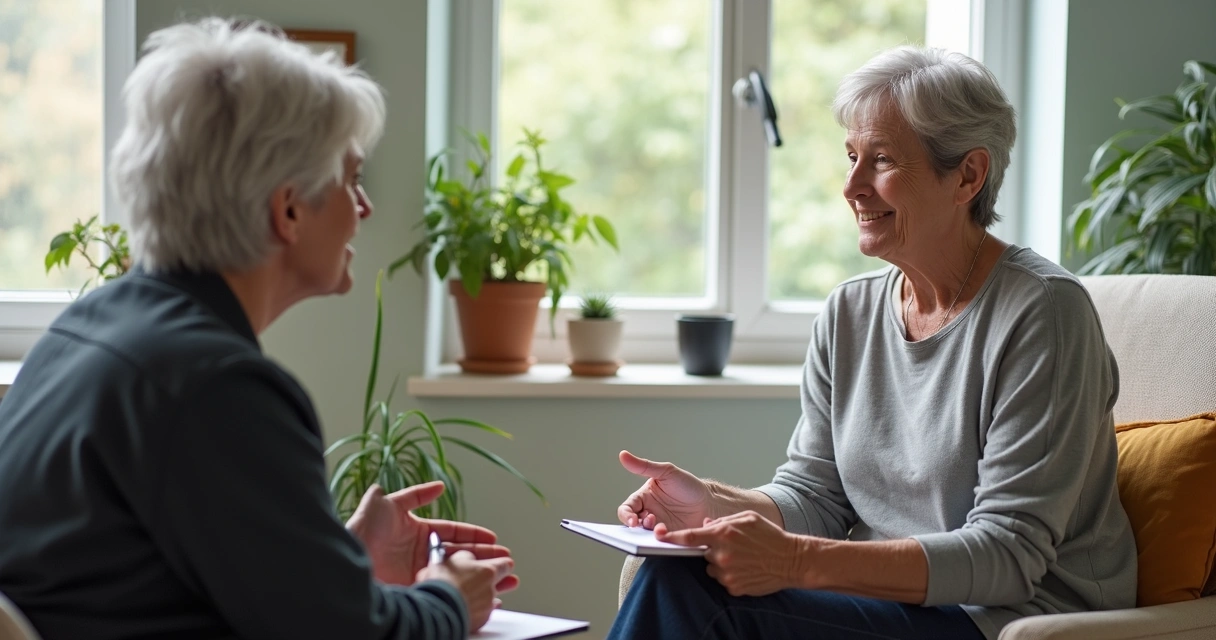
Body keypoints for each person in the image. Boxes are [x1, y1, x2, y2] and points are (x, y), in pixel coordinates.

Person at [0, 18, 516, 639]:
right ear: (289, 209)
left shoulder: (85, 330)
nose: (364, 207)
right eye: (352, 179)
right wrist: (448, 599)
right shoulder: (216, 387)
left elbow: (144, 579)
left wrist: (341, 555)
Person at [609, 46, 1137, 640]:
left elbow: (1008, 556)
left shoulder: (1043, 312)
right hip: (886, 604)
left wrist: (794, 562)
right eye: (852, 157)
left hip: (1005, 619)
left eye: (881, 160)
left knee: (693, 594)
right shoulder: (849, 312)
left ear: (968, 175)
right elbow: (817, 497)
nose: (852, 186)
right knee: (678, 575)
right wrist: (711, 502)